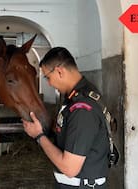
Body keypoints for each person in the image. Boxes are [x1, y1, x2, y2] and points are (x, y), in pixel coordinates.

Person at [22, 47, 110, 189]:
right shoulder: (77, 96)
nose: (49, 84)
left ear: (59, 71)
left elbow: (70, 168)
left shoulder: (82, 109)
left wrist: (38, 136)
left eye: (48, 77)